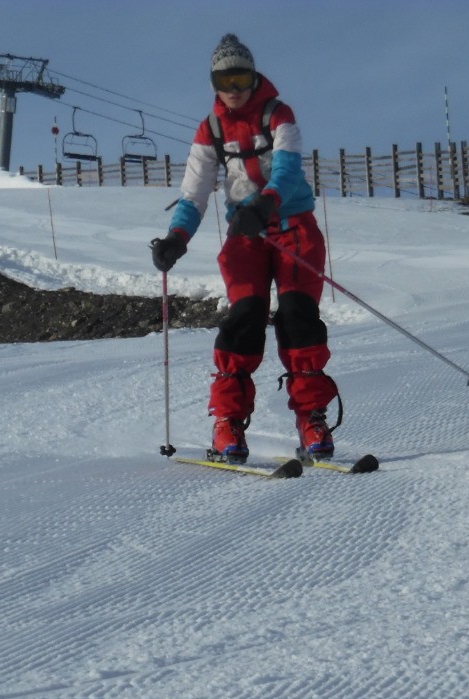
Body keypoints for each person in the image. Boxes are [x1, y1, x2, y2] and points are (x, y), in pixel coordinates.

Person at [150, 33, 339, 463]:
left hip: (294, 230)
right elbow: (194, 194)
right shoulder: (210, 129)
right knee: (245, 319)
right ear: (213, 82)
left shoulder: (278, 114)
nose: (234, 90)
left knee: (298, 317)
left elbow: (288, 169)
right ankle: (227, 423)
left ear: (254, 77)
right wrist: (176, 238)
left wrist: (266, 202)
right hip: (246, 239)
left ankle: (311, 416)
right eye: (225, 79)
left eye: (242, 77)